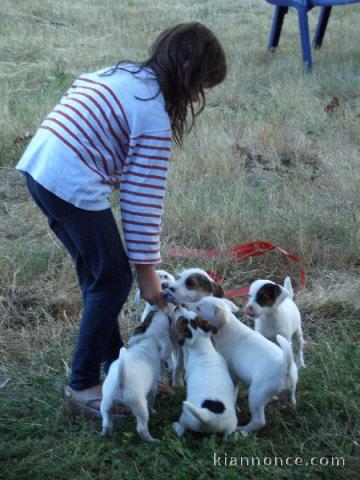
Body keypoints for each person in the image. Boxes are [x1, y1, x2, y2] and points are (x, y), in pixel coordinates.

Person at [16, 22, 227, 417]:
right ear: (187, 73)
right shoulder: (152, 116)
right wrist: (147, 273)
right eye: (201, 85)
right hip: (69, 179)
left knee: (101, 278)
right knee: (114, 280)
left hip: (39, 168)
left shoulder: (121, 73)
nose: (198, 95)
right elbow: (141, 200)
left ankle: (119, 367)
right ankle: (81, 385)